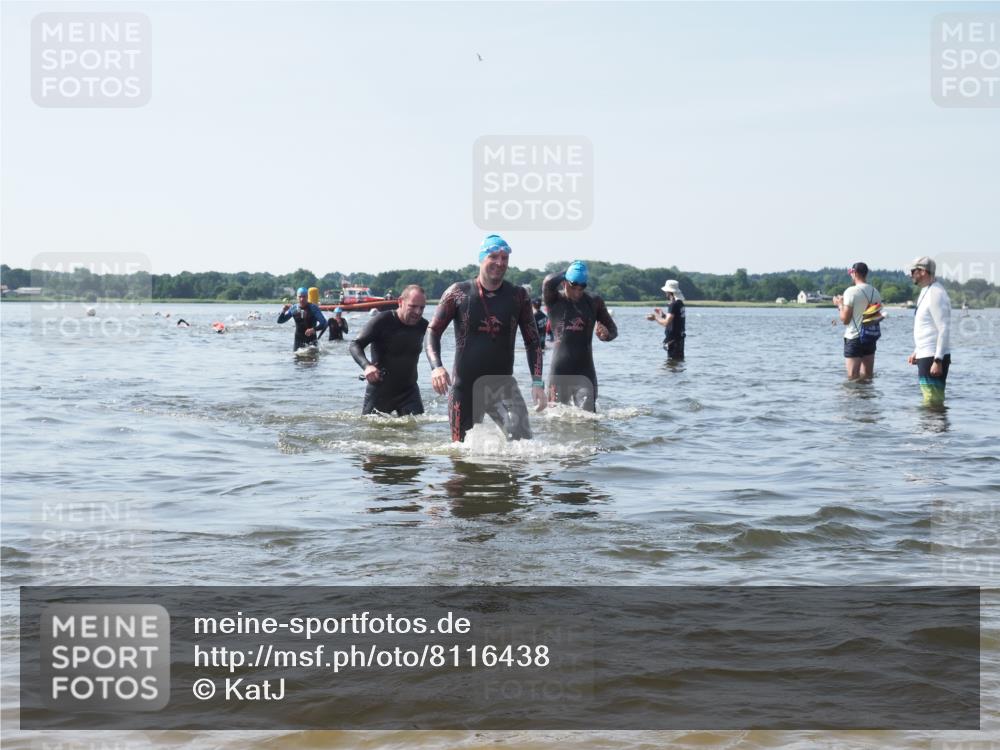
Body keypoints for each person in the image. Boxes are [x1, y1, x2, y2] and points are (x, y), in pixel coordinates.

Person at [426, 234, 545, 442]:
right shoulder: (458, 293)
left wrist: (537, 382)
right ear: (482, 258)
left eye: (504, 258)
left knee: (523, 446)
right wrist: (436, 367)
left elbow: (533, 341)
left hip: (503, 387)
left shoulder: (518, 296)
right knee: (460, 457)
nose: (500, 263)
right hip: (464, 389)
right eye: (493, 257)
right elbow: (432, 331)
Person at [542, 261, 618, 411]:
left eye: (582, 287)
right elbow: (548, 282)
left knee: (589, 420)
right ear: (564, 282)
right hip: (559, 371)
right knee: (555, 419)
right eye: (573, 286)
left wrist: (606, 335)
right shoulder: (554, 300)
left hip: (585, 371)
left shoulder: (594, 302)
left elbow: (613, 330)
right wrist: (569, 271)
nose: (577, 292)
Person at [350, 285, 429, 416]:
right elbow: (355, 344)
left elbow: (434, 346)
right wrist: (367, 366)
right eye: (413, 306)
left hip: (409, 391)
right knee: (373, 433)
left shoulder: (423, 326)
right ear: (400, 302)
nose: (418, 312)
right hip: (380, 390)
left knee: (416, 433)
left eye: (422, 308)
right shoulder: (382, 320)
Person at [906, 256, 952, 407]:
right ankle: (929, 429)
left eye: (913, 271)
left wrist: (938, 360)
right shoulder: (926, 291)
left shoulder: (936, 294)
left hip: (933, 356)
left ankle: (935, 430)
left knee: (933, 401)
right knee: (929, 399)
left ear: (923, 272)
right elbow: (927, 326)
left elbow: (943, 328)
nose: (910, 274)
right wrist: (917, 351)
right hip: (925, 353)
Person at [832, 262, 883, 380]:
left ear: (854, 273)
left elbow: (845, 319)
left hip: (854, 338)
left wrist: (839, 305)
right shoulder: (875, 292)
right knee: (868, 376)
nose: (851, 275)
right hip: (870, 337)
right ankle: (867, 397)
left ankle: (854, 399)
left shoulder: (851, 291)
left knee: (852, 378)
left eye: (851, 273)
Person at [647, 279, 686, 359]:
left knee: (672, 367)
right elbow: (675, 321)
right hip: (679, 340)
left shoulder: (673, 305)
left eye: (666, 292)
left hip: (674, 341)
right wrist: (662, 314)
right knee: (677, 364)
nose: (665, 294)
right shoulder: (680, 303)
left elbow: (666, 323)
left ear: (670, 292)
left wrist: (655, 317)